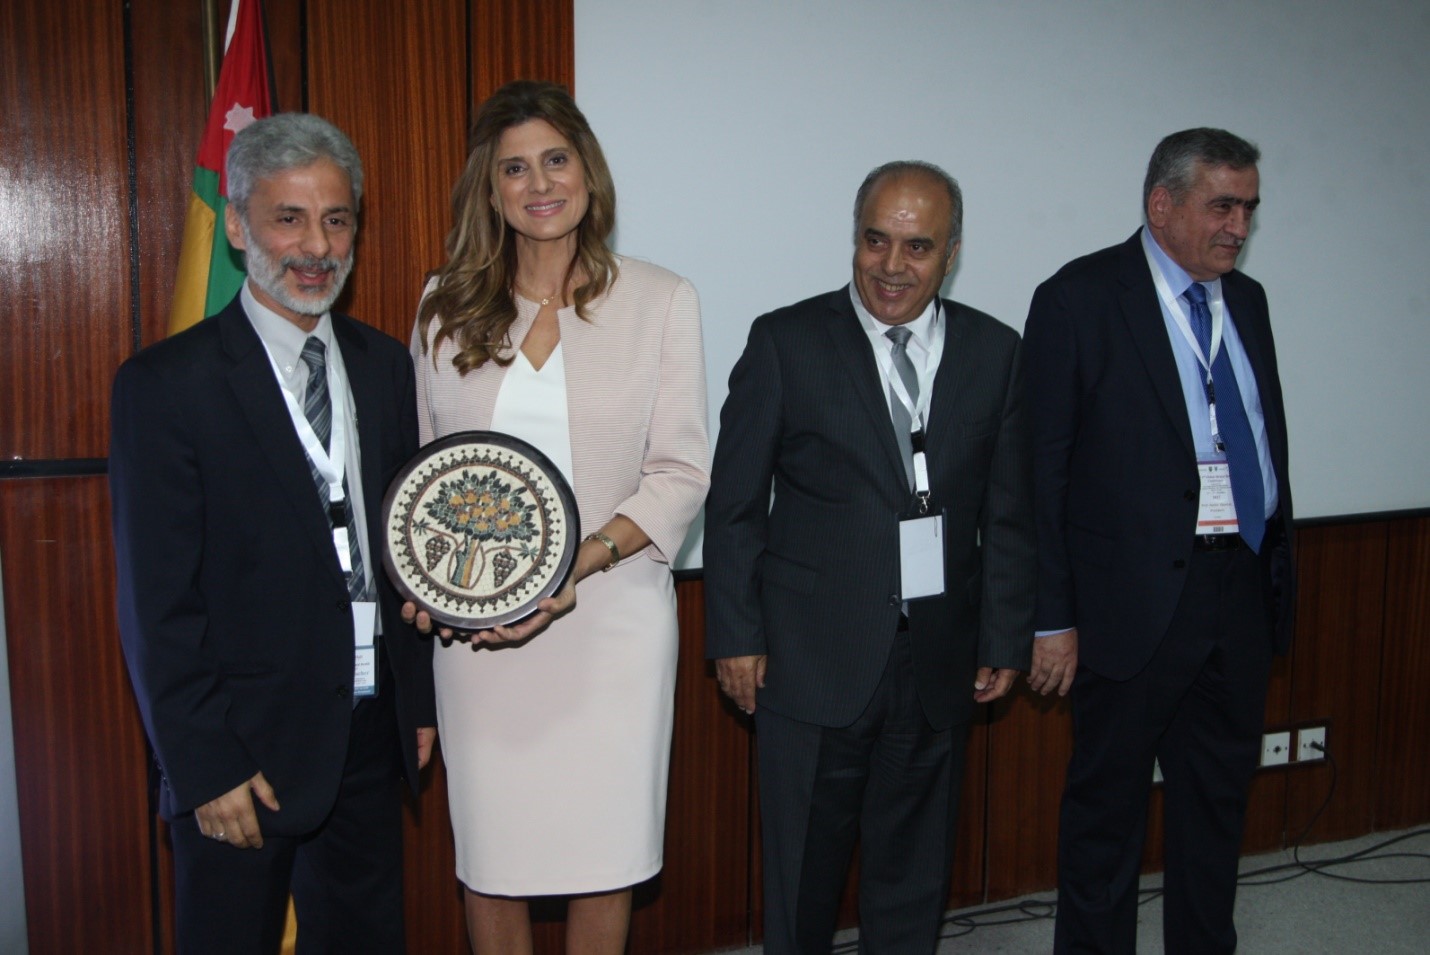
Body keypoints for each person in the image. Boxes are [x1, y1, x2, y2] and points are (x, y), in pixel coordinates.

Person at [110, 113, 437, 954]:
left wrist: (420, 705)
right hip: (240, 752)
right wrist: (203, 762)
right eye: (288, 217)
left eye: (336, 219)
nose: (316, 246)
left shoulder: (383, 365)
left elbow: (403, 552)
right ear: (236, 223)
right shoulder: (164, 386)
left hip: (368, 735)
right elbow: (157, 605)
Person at [406, 80, 709, 954]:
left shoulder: (661, 299)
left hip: (612, 621)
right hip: (478, 640)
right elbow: (423, 476)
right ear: (489, 189)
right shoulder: (441, 305)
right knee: (492, 855)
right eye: (514, 167)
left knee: (605, 852)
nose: (539, 182)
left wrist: (572, 563)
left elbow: (682, 469)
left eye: (555, 159)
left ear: (587, 171)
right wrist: (429, 584)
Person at [704, 161, 1036, 954]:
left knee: (914, 875)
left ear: (951, 252)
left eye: (917, 247)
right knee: (802, 881)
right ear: (854, 238)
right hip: (809, 660)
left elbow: (1012, 511)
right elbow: (736, 503)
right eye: (875, 240)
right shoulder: (786, 341)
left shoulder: (996, 351)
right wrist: (735, 634)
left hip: (939, 660)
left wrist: (1004, 635)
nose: (892, 266)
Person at [1022, 128, 1295, 954]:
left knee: (1215, 807)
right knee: (1107, 814)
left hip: (1237, 590)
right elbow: (1043, 474)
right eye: (1223, 206)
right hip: (1128, 603)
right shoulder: (1079, 298)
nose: (1238, 227)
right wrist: (1050, 616)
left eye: (1249, 208)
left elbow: (1257, 432)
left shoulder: (1246, 301)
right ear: (1161, 204)